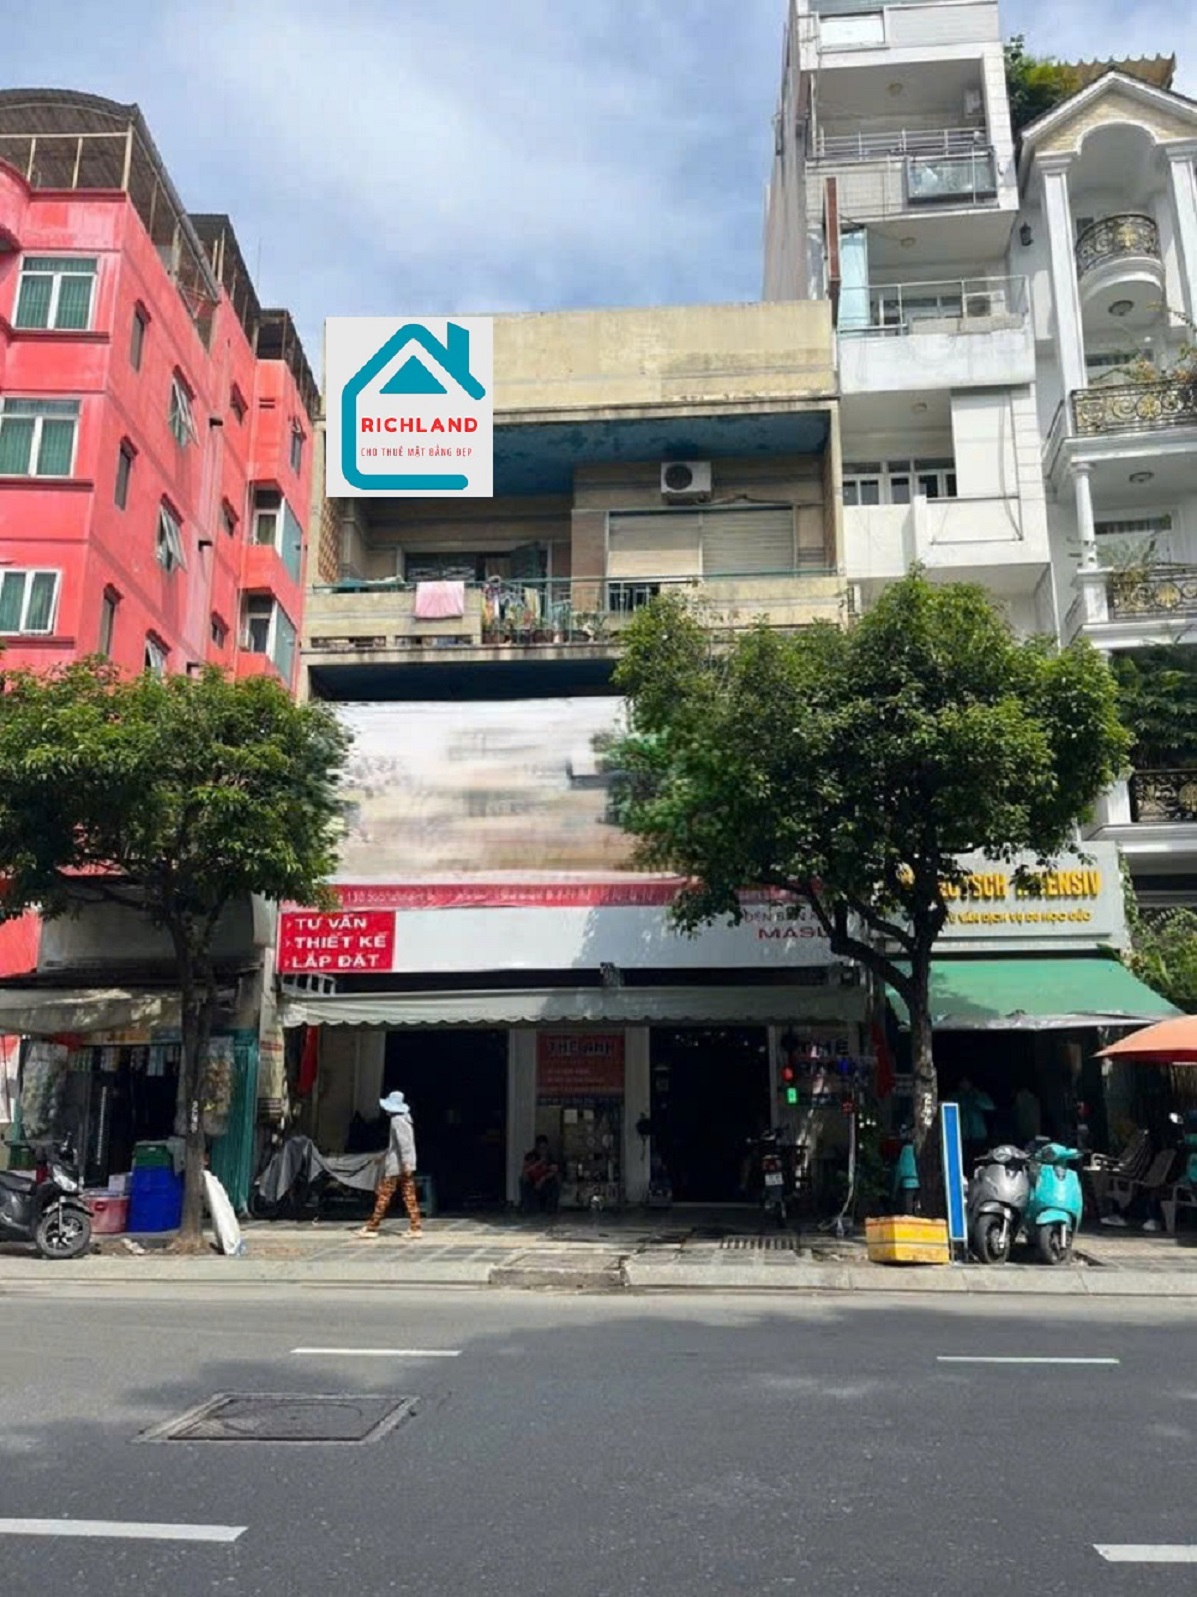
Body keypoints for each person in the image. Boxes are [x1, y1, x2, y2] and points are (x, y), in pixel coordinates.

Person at [355, 1091, 422, 1239]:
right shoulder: (406, 1119)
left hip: (398, 1165)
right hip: (405, 1164)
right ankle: (415, 1226)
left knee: (384, 1195)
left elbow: (404, 1144)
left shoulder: (397, 1121)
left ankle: (372, 1226)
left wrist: (405, 1163)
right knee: (409, 1195)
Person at [958, 1076, 995, 1170]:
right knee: (964, 1161)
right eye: (963, 1082)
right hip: (963, 1135)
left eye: (967, 1082)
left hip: (978, 1134)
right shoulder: (957, 1096)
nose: (965, 1084)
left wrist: (975, 1097)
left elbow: (990, 1106)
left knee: (979, 1160)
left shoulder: (979, 1095)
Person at [520, 1135, 561, 1214]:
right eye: (540, 1148)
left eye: (544, 1148)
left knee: (556, 1181)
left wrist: (543, 1179)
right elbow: (525, 1171)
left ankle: (552, 1208)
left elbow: (555, 1170)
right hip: (532, 1182)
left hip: (545, 1182)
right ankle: (528, 1207)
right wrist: (538, 1163)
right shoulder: (530, 1156)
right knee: (523, 1180)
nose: (543, 1151)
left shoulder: (550, 1157)